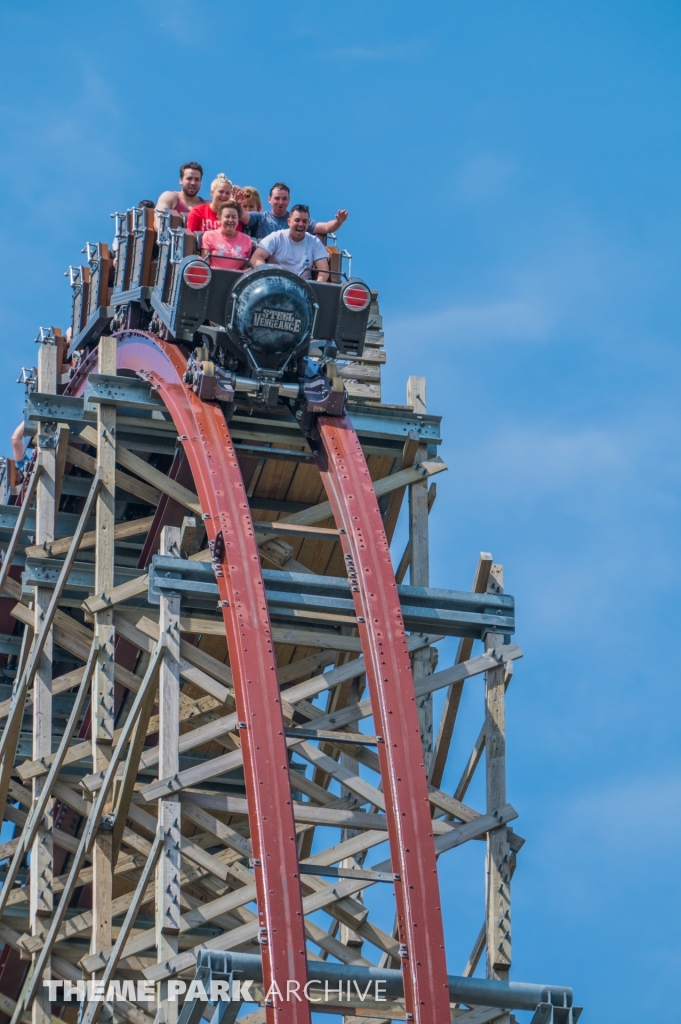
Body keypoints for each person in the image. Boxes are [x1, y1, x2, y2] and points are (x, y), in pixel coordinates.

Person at [235, 182, 348, 241]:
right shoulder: (260, 218)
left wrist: (339, 221)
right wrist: (235, 202)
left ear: (289, 200)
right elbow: (242, 215)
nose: (280, 202)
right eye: (277, 198)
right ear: (269, 200)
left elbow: (326, 227)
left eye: (284, 199)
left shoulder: (297, 221)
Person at [250, 205, 330, 281]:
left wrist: (318, 285)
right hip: (275, 284)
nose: (301, 224)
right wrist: (267, 276)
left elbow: (324, 269)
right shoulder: (277, 237)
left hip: (303, 288)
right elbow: (256, 257)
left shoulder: (314, 241)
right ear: (289, 222)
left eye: (304, 221)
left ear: (308, 224)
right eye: (297, 220)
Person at [201, 202, 254, 270]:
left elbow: (246, 267)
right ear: (219, 218)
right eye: (227, 216)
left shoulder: (247, 239)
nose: (230, 220)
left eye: (234, 217)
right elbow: (205, 264)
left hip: (238, 279)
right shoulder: (209, 235)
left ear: (238, 220)